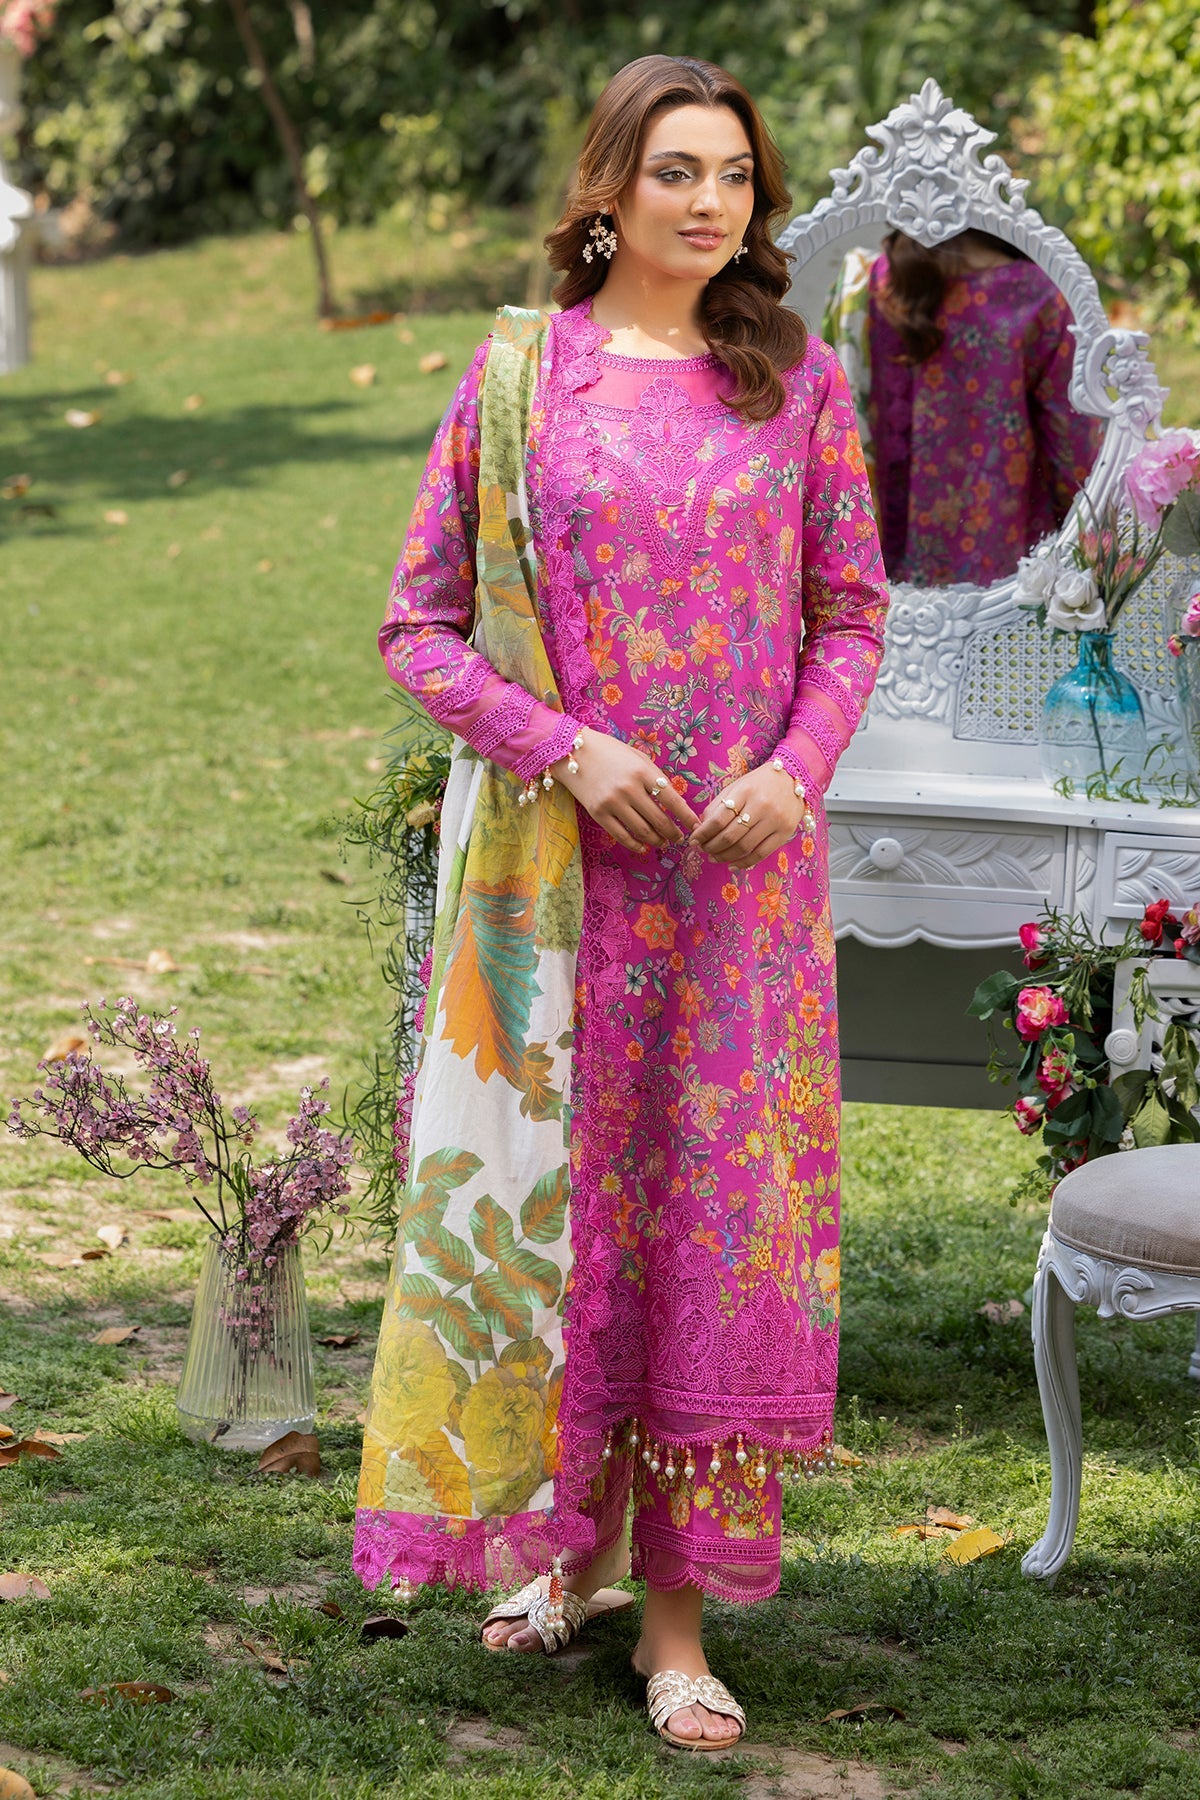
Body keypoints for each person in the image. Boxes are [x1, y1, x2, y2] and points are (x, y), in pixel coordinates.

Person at [354, 53, 888, 1751]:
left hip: (737, 890)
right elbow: (420, 628)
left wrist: (793, 771)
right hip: (565, 882)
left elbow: (852, 614)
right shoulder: (525, 379)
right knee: (573, 1209)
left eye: (734, 173)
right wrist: (567, 751)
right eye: (676, 171)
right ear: (607, 190)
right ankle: (565, 1549)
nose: (710, 200)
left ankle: (676, 1622)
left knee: (705, 1227)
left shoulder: (795, 382)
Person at [825, 228, 1102, 588]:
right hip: (1007, 577)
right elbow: (1073, 450)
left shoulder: (873, 281)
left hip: (881, 576)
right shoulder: (1033, 293)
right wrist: (1091, 549)